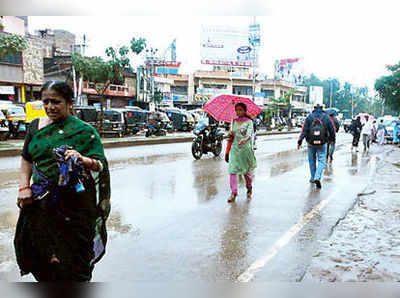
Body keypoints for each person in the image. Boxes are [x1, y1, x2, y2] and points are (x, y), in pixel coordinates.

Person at [14, 80, 111, 282]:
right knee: (41, 258)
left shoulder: (84, 131)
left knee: (75, 263)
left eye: (56, 102)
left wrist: (82, 159)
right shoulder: (35, 127)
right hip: (41, 204)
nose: (50, 107)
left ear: (69, 103)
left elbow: (100, 164)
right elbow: (26, 159)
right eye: (46, 102)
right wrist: (24, 187)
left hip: (75, 208)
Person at [297, 104, 335, 189]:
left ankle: (312, 177)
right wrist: (332, 139)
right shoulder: (326, 117)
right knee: (322, 160)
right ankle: (317, 177)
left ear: (314, 109)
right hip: (322, 142)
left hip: (310, 142)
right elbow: (332, 130)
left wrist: (300, 141)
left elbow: (304, 130)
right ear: (322, 109)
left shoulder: (309, 117)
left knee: (312, 160)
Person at [226, 103, 257, 203]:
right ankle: (233, 193)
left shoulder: (249, 122)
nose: (238, 112)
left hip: (245, 149)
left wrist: (245, 139)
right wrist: (230, 133)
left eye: (240, 110)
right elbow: (231, 134)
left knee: (246, 172)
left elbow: (249, 134)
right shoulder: (233, 121)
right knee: (232, 170)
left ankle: (249, 186)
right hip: (234, 149)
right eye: (237, 110)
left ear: (244, 111)